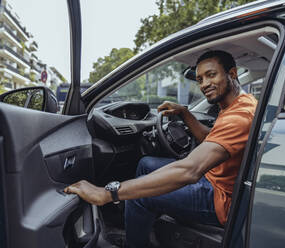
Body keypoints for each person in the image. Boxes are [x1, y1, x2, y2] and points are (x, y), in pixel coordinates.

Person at [64, 50, 257, 248]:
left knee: (138, 197)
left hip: (220, 199)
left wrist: (106, 194)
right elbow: (213, 139)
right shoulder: (239, 104)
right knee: (145, 164)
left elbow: (189, 171)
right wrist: (184, 113)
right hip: (216, 179)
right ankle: (143, 226)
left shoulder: (239, 116)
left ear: (232, 74)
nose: (204, 84)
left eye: (211, 75)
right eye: (200, 79)